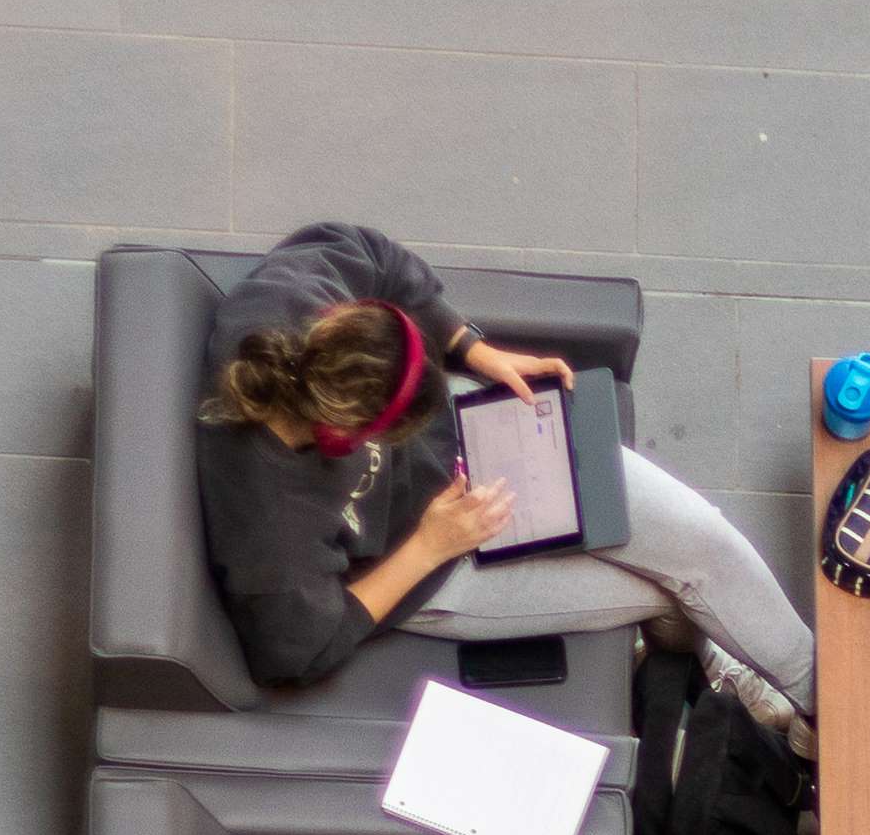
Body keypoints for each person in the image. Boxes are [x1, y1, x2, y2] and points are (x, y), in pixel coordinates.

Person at [193, 221, 814, 719]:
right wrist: (431, 546)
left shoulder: (289, 301)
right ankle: (729, 676)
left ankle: (826, 703)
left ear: (336, 319)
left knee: (703, 546)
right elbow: (293, 650)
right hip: (432, 565)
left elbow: (371, 253)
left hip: (488, 434)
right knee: (669, 599)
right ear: (354, 437)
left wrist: (474, 352)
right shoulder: (268, 520)